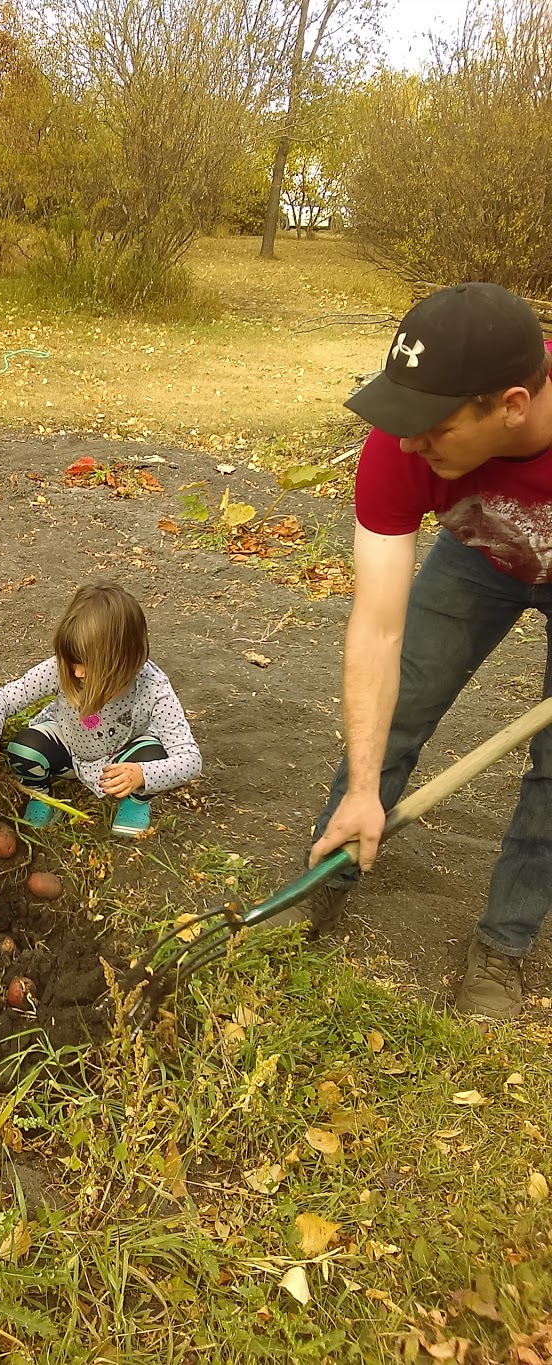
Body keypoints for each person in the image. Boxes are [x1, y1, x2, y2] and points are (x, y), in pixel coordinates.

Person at [302, 282, 552, 1020]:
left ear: (510, 405)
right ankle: (327, 872)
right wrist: (361, 788)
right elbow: (377, 628)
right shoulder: (401, 442)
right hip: (483, 555)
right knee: (404, 696)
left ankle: (503, 945)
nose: (408, 441)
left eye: (433, 426)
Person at [0, 583, 202, 838]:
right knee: (23, 749)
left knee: (154, 755)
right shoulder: (60, 670)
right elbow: (0, 699)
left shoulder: (152, 688)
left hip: (119, 758)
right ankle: (41, 796)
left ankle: (136, 801)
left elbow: (190, 760)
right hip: (69, 747)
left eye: (87, 665)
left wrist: (142, 774)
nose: (77, 673)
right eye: (72, 663)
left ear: (123, 662)